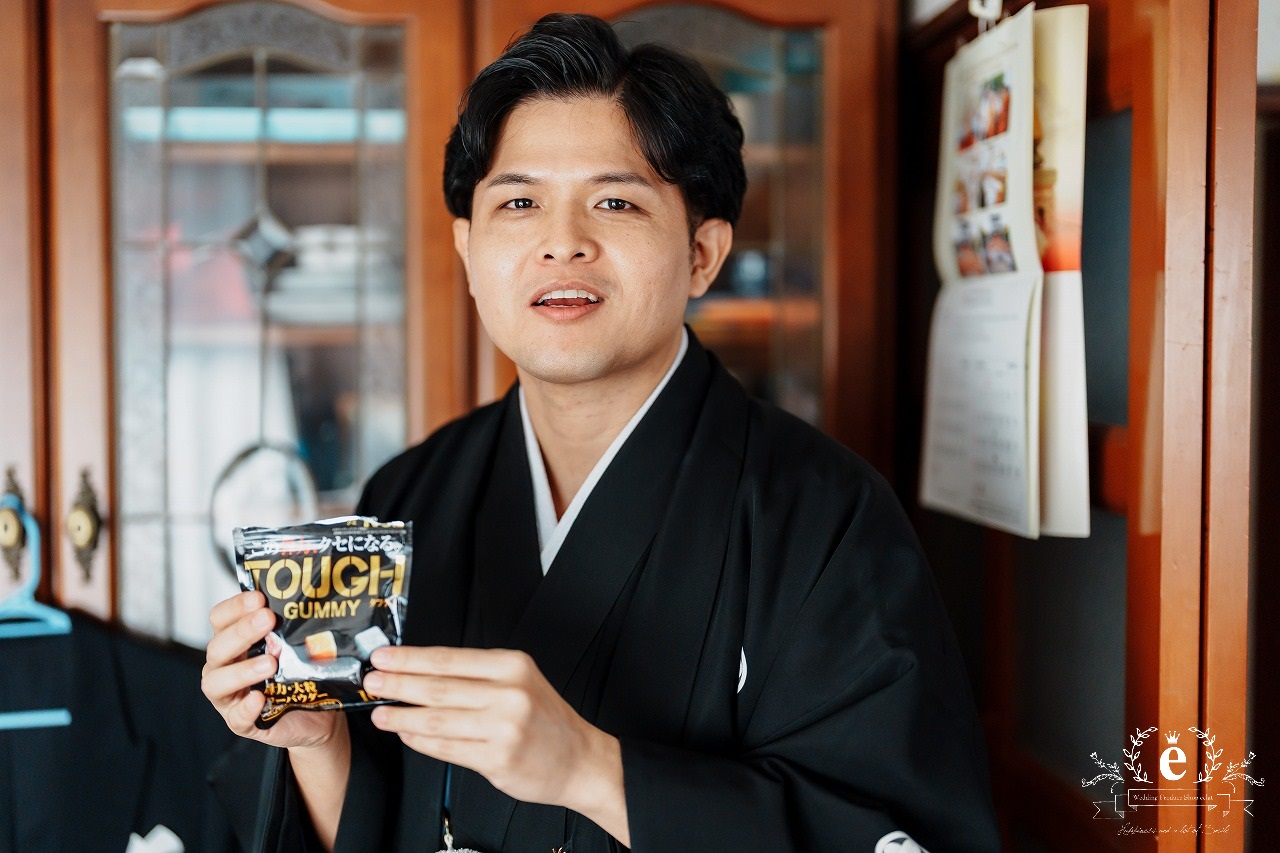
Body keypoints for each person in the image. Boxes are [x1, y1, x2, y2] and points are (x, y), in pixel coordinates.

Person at [202, 13, 1000, 852]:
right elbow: (365, 828)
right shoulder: (408, 495)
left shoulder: (825, 519)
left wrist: (588, 768)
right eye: (519, 203)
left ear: (703, 251)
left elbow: (903, 835)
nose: (562, 243)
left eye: (615, 200)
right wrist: (316, 742)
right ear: (469, 251)